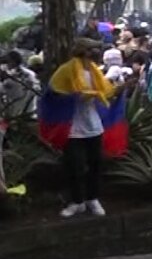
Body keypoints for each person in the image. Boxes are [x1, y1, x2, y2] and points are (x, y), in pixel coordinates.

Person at [41, 38, 129, 219]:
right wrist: (74, 97)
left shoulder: (95, 71)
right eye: (92, 49)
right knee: (75, 166)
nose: (96, 53)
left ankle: (92, 199)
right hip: (73, 128)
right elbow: (53, 94)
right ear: (82, 51)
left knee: (96, 165)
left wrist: (120, 89)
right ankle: (77, 202)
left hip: (94, 126)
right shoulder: (65, 70)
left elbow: (105, 93)